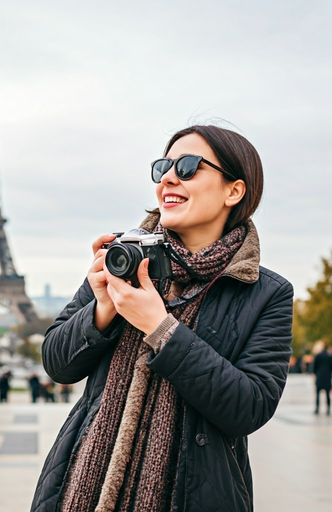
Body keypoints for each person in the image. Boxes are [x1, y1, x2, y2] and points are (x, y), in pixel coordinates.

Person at [31, 125, 294, 512]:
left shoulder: (266, 292)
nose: (168, 177)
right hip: (81, 491)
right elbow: (57, 363)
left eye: (188, 167)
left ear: (233, 191)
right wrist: (103, 308)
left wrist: (160, 327)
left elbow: (249, 407)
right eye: (162, 168)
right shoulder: (125, 259)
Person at [313, 341, 332, 415]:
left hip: (319, 376)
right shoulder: (329, 357)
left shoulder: (318, 356)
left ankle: (317, 409)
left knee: (317, 393)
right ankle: (328, 409)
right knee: (327, 394)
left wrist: (315, 374)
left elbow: (315, 367)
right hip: (327, 377)